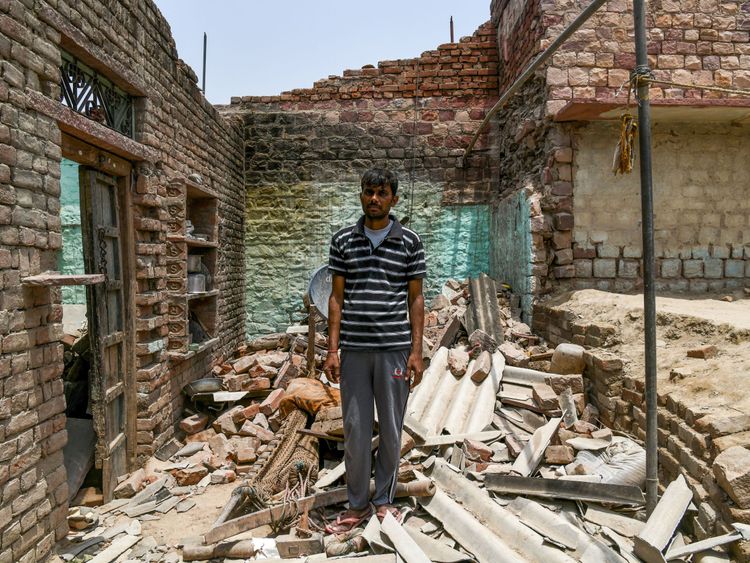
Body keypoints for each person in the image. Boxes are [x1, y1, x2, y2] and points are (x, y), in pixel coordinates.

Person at [323, 167, 426, 533]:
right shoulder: (343, 241)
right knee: (355, 429)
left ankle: (383, 501)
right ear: (361, 195)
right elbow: (336, 298)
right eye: (368, 192)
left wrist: (417, 351)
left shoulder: (410, 242)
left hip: (394, 349)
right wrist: (332, 350)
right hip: (353, 350)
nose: (374, 199)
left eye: (382, 193)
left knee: (393, 430)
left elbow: (416, 300)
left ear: (394, 199)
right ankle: (357, 504)